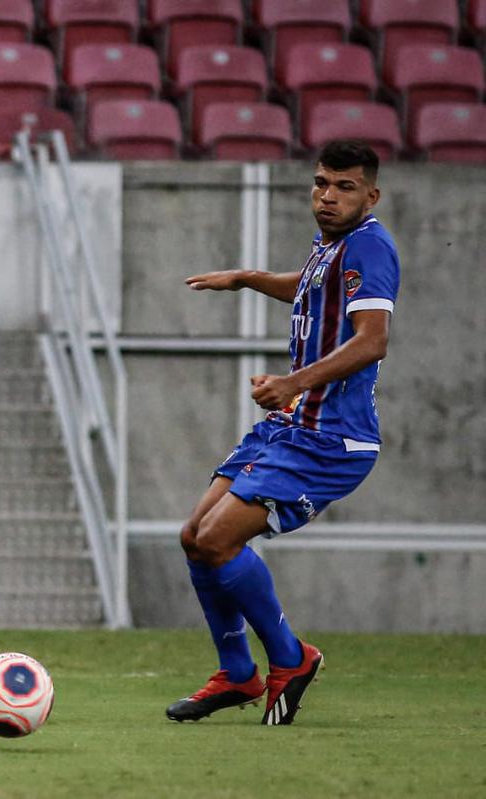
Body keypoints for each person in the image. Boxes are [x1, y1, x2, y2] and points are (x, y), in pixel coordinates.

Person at [170, 140, 400, 726]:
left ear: (370, 195)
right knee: (195, 536)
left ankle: (292, 660)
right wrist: (249, 278)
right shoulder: (334, 248)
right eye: (322, 182)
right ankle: (238, 675)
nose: (328, 196)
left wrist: (293, 381)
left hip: (331, 439)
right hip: (292, 427)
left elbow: (373, 340)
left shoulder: (371, 246)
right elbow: (311, 286)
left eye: (345, 187)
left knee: (220, 541)